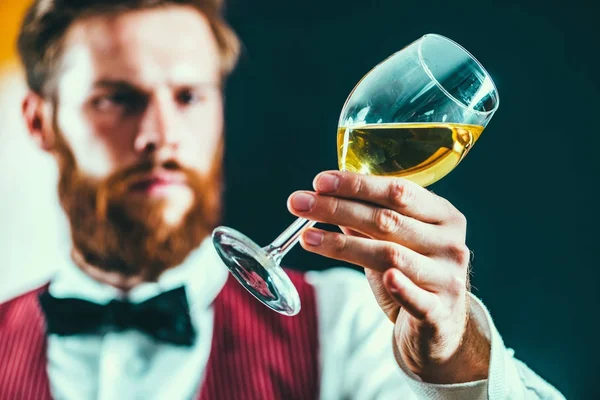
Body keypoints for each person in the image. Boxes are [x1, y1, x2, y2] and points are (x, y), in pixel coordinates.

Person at [0, 0, 565, 399]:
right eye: (116, 99)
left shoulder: (350, 326)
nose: (160, 135)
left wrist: (453, 354)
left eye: (189, 96)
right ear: (38, 121)